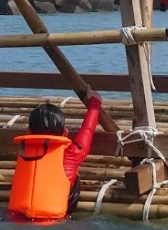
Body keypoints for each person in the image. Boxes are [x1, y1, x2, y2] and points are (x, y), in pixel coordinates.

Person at [7, 93, 109, 222]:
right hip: (56, 224)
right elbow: (88, 129)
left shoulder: (23, 151)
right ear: (65, 133)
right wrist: (95, 101)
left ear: (28, 132)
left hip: (15, 221)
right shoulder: (71, 154)